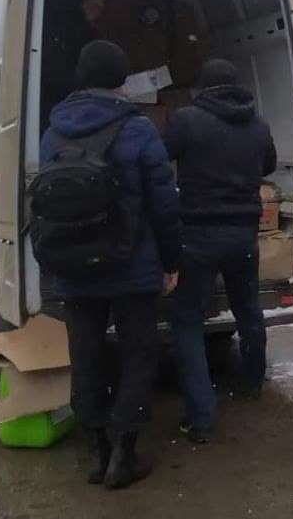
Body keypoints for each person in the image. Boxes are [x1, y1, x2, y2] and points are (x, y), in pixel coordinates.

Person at [40, 40, 182, 489]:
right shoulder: (138, 129)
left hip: (73, 263)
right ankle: (125, 451)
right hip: (130, 265)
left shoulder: (54, 131)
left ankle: (97, 449)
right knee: (138, 355)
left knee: (86, 356)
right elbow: (163, 202)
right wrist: (171, 260)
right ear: (122, 79)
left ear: (82, 76)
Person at [164, 59, 277, 444]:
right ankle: (251, 381)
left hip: (198, 236)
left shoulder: (187, 120)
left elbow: (161, 156)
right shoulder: (257, 124)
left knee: (187, 321)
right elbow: (269, 164)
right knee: (248, 310)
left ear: (203, 87)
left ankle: (201, 416)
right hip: (243, 235)